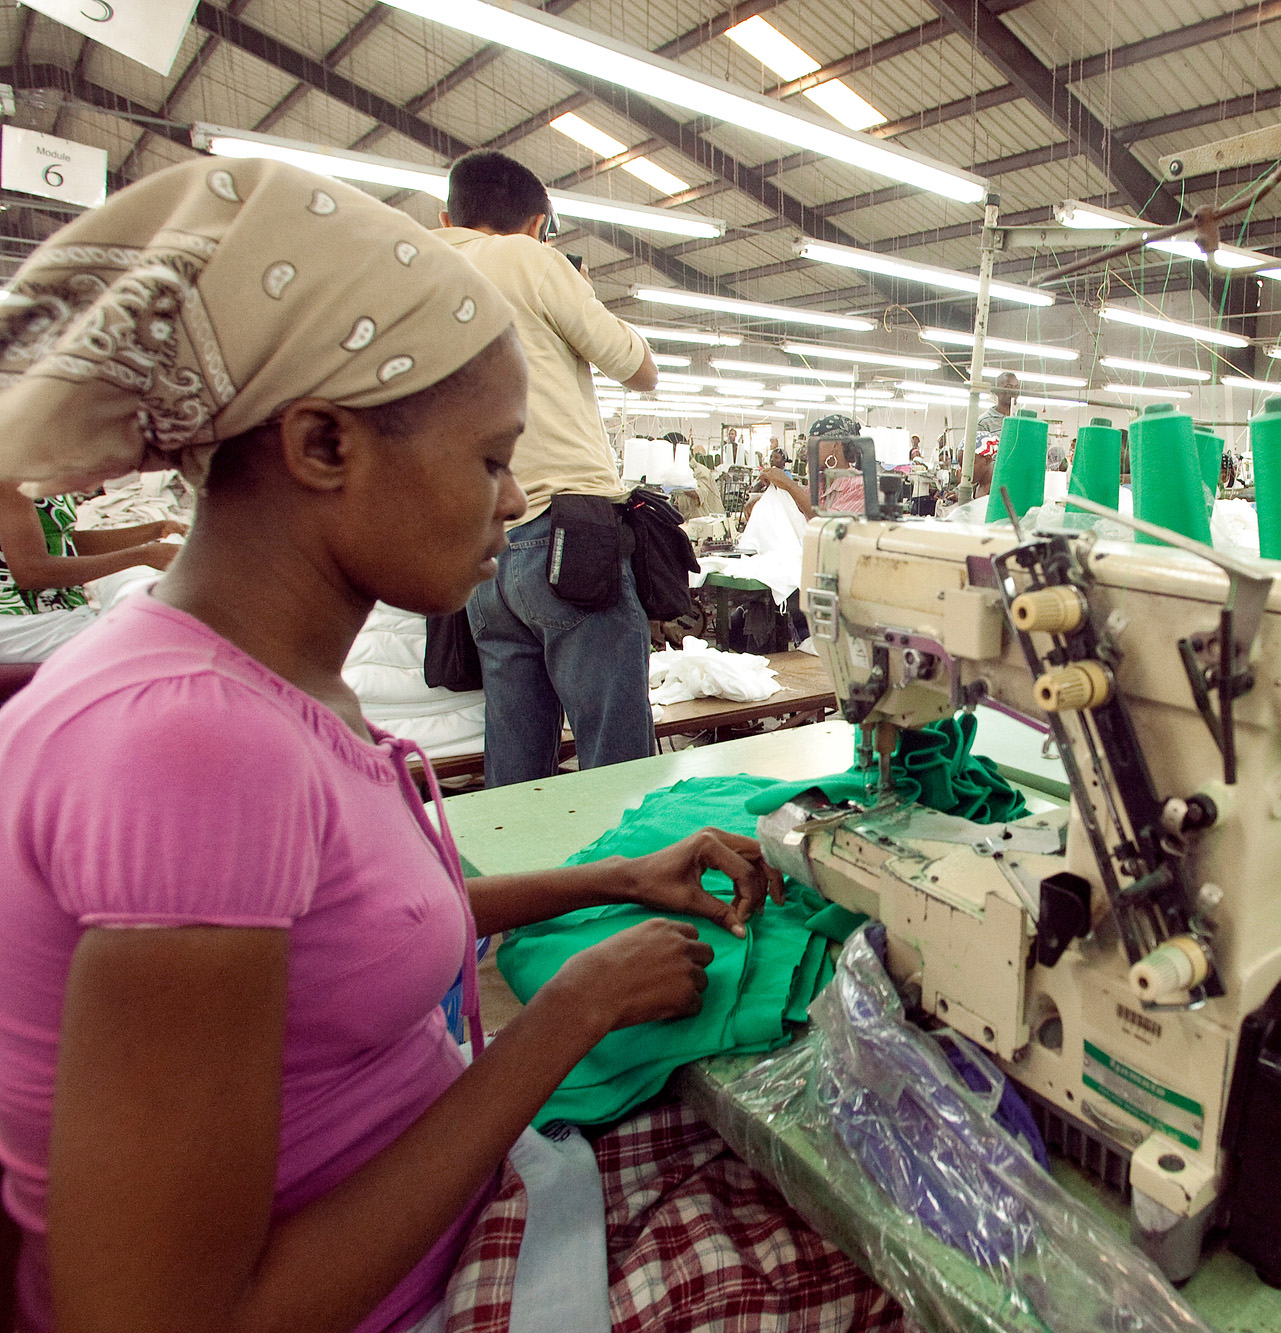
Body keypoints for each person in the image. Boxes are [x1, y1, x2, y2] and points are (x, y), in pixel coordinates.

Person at [0, 160, 789, 1333]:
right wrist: (567, 1013)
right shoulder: (193, 749)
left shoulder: (261, 681)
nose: (516, 499)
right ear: (323, 445)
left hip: (439, 1214)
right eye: (487, 459)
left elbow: (347, 935)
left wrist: (613, 878)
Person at [435, 150, 659, 788]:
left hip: (479, 546)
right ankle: (628, 880)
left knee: (516, 753)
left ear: (446, 215)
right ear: (537, 224)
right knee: (613, 751)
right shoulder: (528, 258)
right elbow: (638, 369)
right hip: (565, 532)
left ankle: (520, 875)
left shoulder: (415, 268)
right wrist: (574, 286)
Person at [0, 485, 182, 664]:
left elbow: (65, 545)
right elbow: (33, 572)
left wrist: (156, 531)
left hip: (51, 613)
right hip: (18, 620)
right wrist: (143, 555)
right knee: (151, 643)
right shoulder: (11, 480)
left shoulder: (35, 475)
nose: (89, 490)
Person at [761, 414, 867, 517]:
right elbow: (797, 508)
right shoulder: (819, 483)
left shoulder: (859, 486)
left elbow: (827, 524)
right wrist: (761, 500)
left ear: (835, 445)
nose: (808, 451)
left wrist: (789, 484)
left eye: (815, 444)